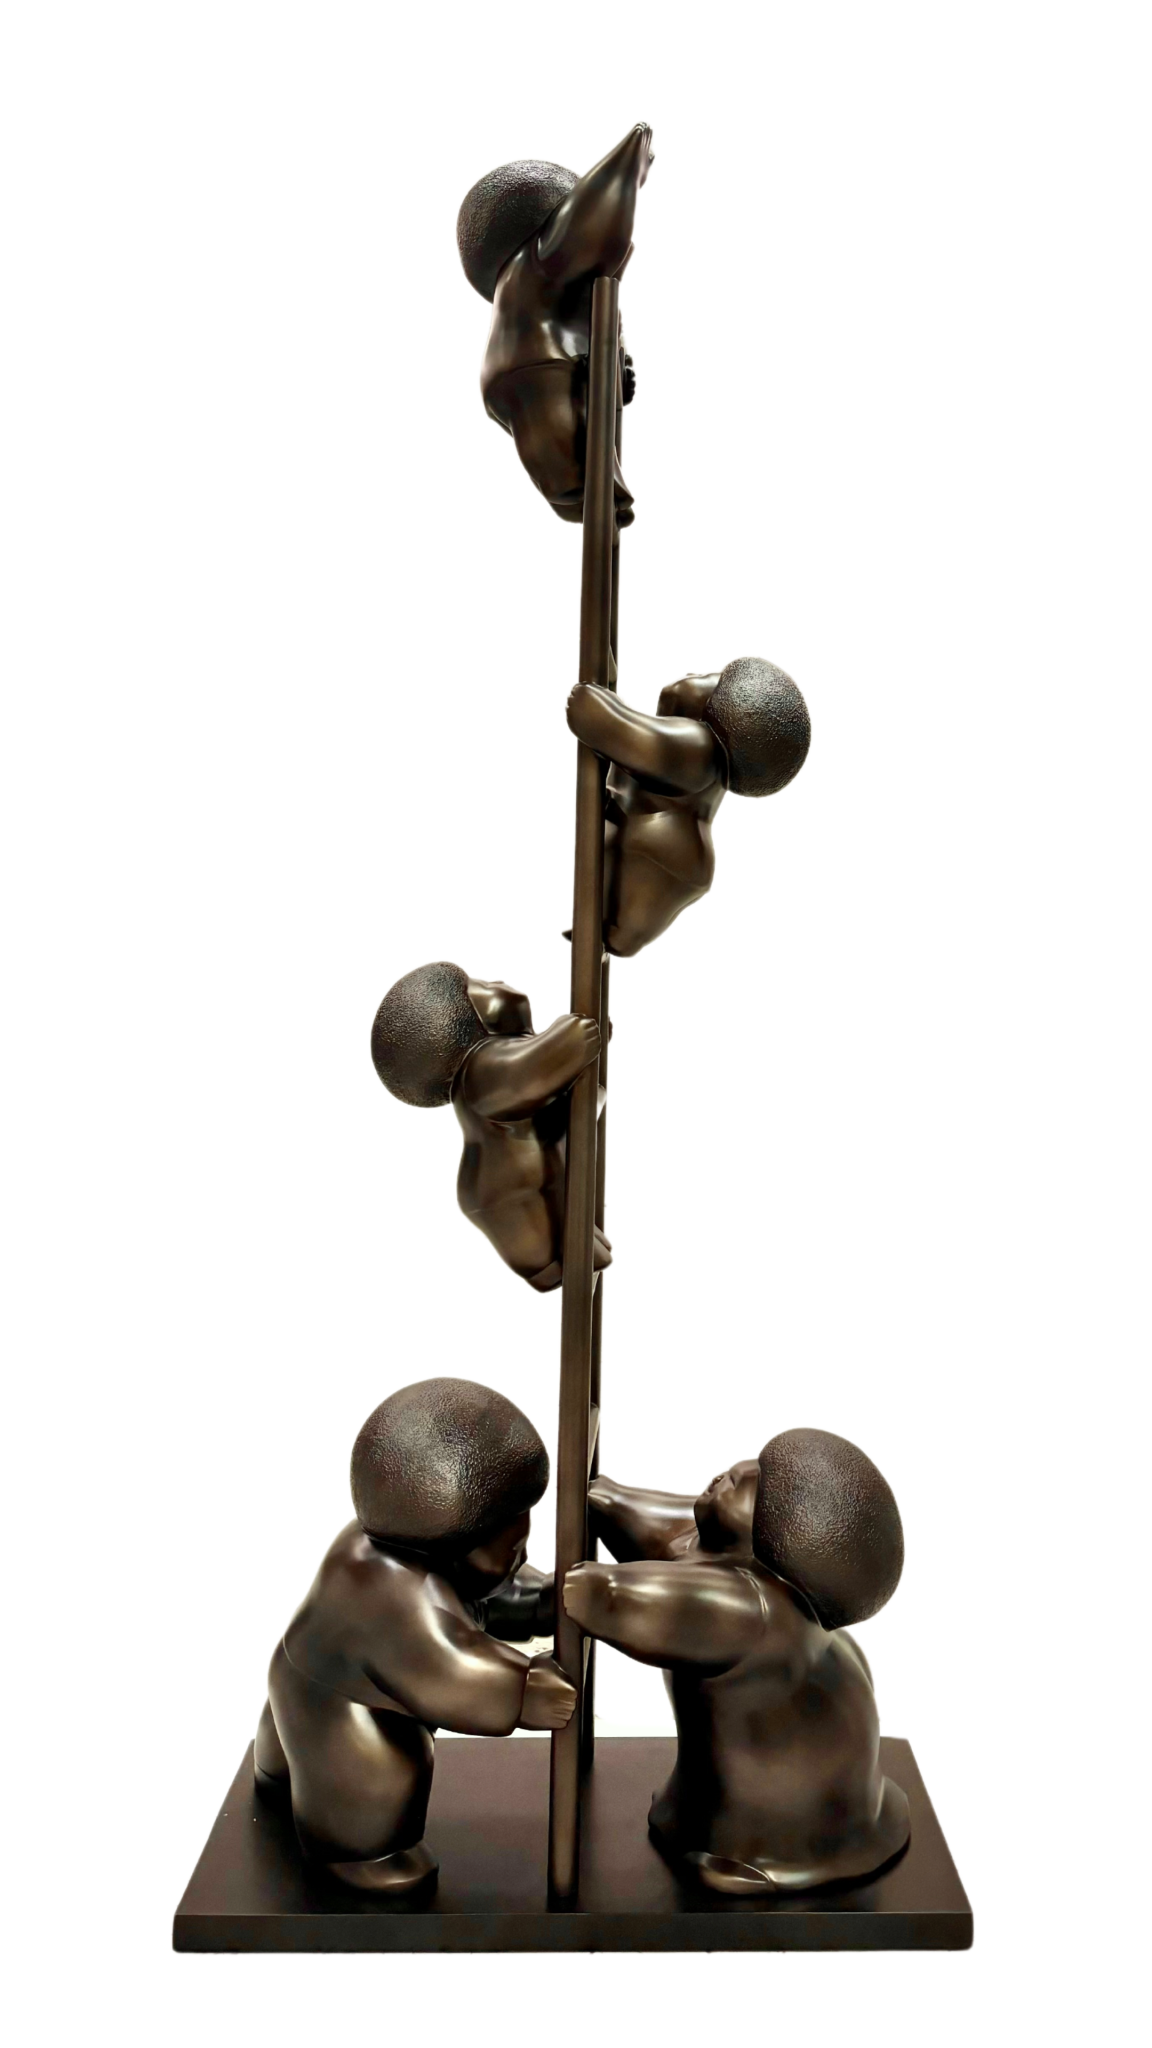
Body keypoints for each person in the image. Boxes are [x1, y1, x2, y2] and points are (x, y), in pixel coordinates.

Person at [255, 1378, 572, 1892]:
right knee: (388, 1765)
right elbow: (451, 1666)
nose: (522, 1558)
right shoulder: (393, 1594)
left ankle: (277, 1777)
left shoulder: (399, 1543)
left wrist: (540, 1603)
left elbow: (483, 1597)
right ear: (456, 1543)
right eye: (512, 1551)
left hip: (300, 1680)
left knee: (296, 1749)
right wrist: (523, 1689)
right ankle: (357, 1853)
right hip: (345, 1715)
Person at [565, 1427, 909, 1893]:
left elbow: (607, 1599)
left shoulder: (756, 1612)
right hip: (799, 1796)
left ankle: (753, 1856)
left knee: (751, 1835)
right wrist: (598, 1498)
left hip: (788, 1839)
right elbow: (649, 1523)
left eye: (762, 1489)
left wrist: (521, 1598)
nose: (741, 1472)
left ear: (788, 1538)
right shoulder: (721, 1545)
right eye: (758, 1466)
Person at [457, 124, 653, 522]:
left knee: (588, 488)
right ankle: (589, 494)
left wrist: (615, 370)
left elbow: (602, 323)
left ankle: (590, 495)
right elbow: (596, 221)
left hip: (536, 367)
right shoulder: (540, 258)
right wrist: (630, 166)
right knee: (584, 485)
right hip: (540, 365)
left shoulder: (540, 281)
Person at [370, 961, 607, 1290]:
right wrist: (569, 1041)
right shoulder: (480, 1071)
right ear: (460, 1024)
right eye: (480, 986)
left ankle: (564, 1260)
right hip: (506, 1195)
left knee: (571, 1236)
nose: (495, 980)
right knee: (556, 1251)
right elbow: (526, 1074)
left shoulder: (492, 1061)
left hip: (515, 1181)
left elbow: (547, 1088)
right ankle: (552, 1264)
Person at [566, 658, 810, 957]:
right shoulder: (708, 754)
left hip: (661, 853)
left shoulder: (699, 747)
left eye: (707, 678)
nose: (693, 674)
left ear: (728, 712)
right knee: (624, 917)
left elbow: (624, 733)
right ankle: (622, 934)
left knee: (624, 912)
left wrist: (593, 709)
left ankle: (621, 934)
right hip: (676, 856)